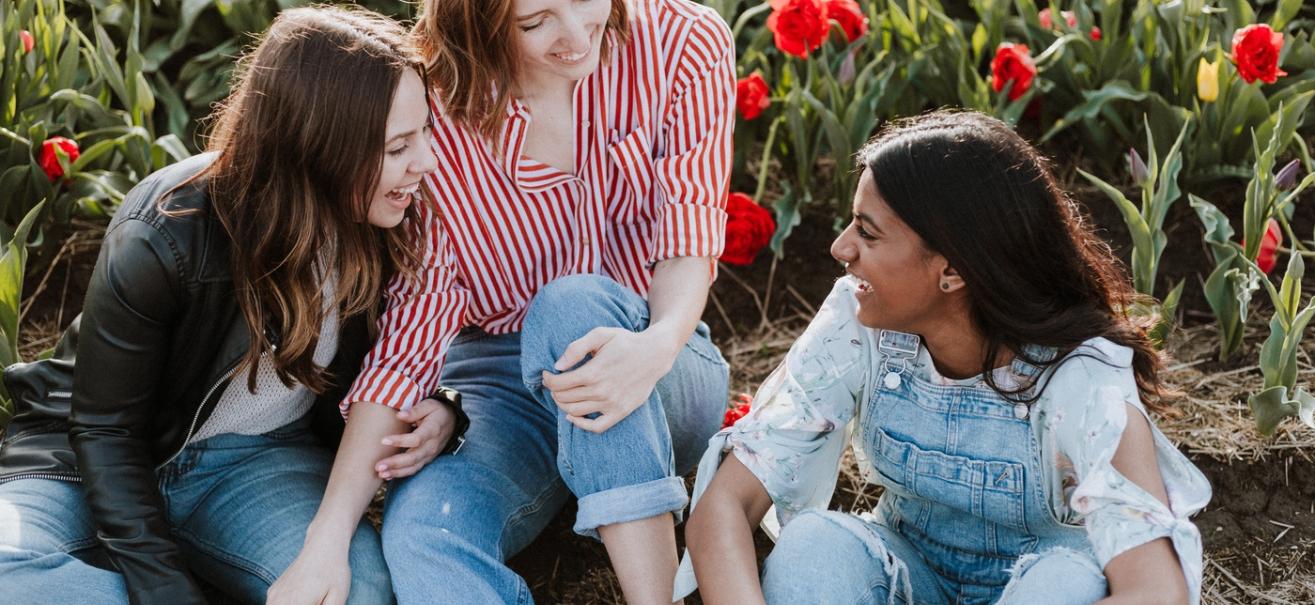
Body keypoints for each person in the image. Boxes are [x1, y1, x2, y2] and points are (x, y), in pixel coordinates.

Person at [273, 0, 735, 602]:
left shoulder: (683, 39)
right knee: (424, 536)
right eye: (533, 21)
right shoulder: (432, 107)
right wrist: (327, 538)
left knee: (571, 307)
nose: (574, 37)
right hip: (504, 381)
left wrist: (657, 343)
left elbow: (688, 235)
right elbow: (411, 336)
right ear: (477, 22)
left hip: (658, 356)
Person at [0, 7, 450, 604]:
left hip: (254, 465)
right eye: (398, 146)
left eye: (424, 133)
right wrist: (166, 591)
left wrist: (443, 406)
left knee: (357, 592)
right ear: (318, 147)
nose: (427, 162)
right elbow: (105, 430)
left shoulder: (394, 222)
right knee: (10, 572)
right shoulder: (165, 232)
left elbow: (411, 349)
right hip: (84, 461)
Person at [681, 110, 1212, 605]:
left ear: (953, 271)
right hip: (910, 575)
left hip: (1041, 584)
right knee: (815, 547)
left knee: (1064, 582)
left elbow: (1155, 590)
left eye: (867, 232)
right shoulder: (859, 324)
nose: (841, 248)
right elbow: (725, 506)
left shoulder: (1081, 375)